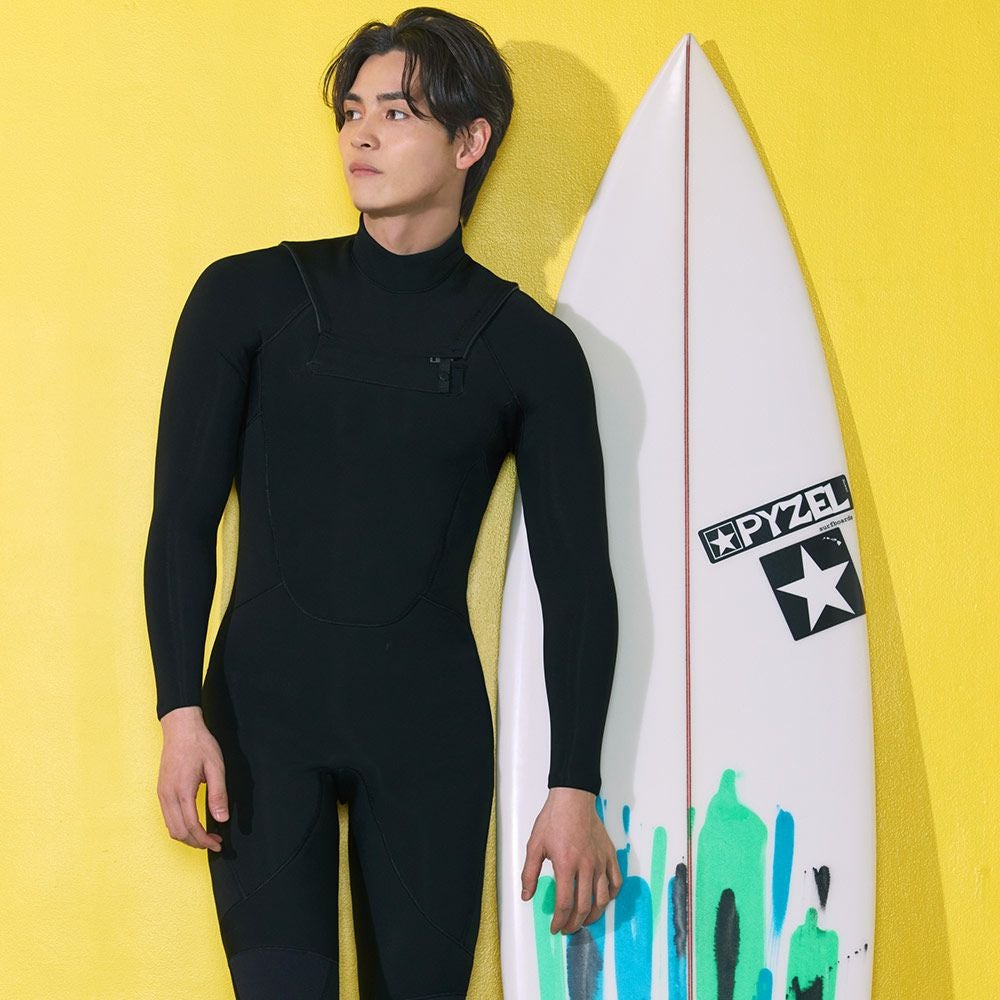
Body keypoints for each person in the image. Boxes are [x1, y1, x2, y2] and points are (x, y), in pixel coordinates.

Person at [143, 8, 621, 998]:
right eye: (352, 111)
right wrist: (179, 711)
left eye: (396, 113)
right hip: (259, 729)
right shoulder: (248, 298)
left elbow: (577, 578)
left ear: (469, 141)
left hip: (426, 738)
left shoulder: (529, 350)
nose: (360, 134)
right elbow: (181, 520)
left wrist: (574, 782)